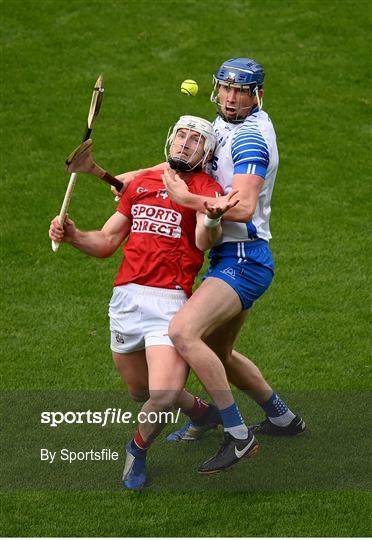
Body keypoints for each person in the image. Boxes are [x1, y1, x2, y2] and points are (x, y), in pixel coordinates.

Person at [49, 115, 241, 490]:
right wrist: (73, 236)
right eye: (181, 136)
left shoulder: (206, 190)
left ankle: (136, 450)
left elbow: (204, 240)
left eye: (195, 140)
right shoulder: (142, 183)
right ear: (170, 141)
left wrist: (214, 220)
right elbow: (105, 241)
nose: (186, 143)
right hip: (125, 300)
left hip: (169, 302)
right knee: (140, 392)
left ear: (206, 152)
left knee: (163, 395)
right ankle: (202, 414)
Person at [160, 58, 305, 474]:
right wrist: (109, 178)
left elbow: (240, 207)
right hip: (231, 257)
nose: (230, 97)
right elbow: (181, 166)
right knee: (219, 352)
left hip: (244, 259)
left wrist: (188, 201)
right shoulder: (225, 125)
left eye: (241, 90)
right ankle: (282, 418)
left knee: (183, 332)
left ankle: (238, 436)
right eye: (225, 87)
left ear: (257, 94)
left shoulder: (250, 141)